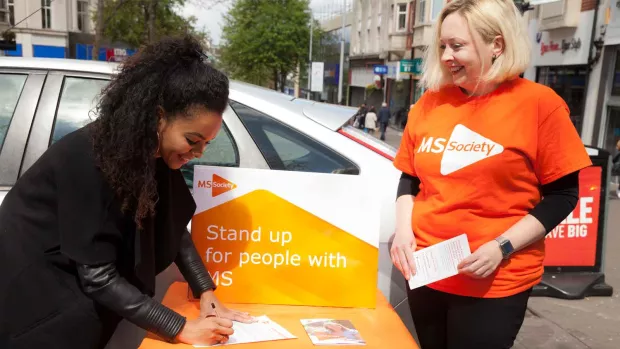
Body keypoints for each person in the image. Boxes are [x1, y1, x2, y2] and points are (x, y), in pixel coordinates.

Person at [0, 35, 253, 348]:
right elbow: (98, 276)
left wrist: (206, 293)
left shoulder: (155, 152)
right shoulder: (86, 159)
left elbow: (173, 228)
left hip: (77, 291)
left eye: (207, 143)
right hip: (37, 301)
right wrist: (179, 328)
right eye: (192, 140)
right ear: (159, 117)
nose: (198, 152)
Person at [389, 1, 592, 349]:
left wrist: (502, 247)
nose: (447, 55)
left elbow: (563, 195)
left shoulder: (539, 104)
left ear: (496, 44)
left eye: (457, 45)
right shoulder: (430, 103)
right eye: (442, 46)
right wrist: (404, 233)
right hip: (428, 273)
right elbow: (410, 179)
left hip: (494, 277)